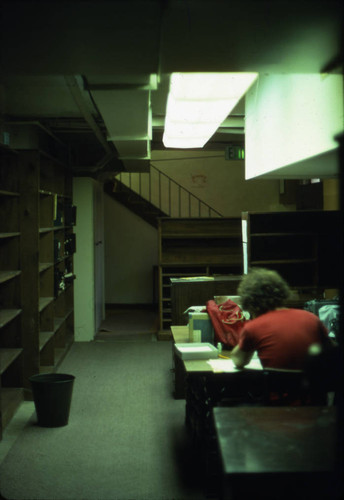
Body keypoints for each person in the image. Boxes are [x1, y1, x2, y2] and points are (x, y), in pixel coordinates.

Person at [231, 267, 331, 370]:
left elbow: (238, 361)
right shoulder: (311, 318)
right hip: (314, 384)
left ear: (249, 301)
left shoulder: (253, 327)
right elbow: (332, 353)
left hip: (277, 385)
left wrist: (248, 340)